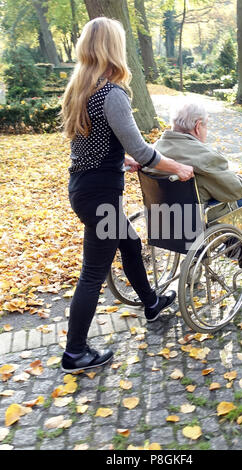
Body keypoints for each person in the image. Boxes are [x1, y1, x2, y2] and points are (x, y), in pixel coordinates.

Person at [60, 17, 194, 373]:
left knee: (131, 244)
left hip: (86, 189)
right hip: (100, 197)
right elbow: (143, 147)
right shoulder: (112, 93)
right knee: (93, 272)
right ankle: (75, 353)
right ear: (112, 48)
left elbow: (94, 146)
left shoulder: (82, 88)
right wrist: (177, 168)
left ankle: (151, 303)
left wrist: (123, 161)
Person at [148, 99, 242, 264]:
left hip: (163, 221)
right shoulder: (204, 157)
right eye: (206, 125)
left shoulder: (154, 150)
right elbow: (236, 190)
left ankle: (239, 247)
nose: (206, 130)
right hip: (199, 224)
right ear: (197, 126)